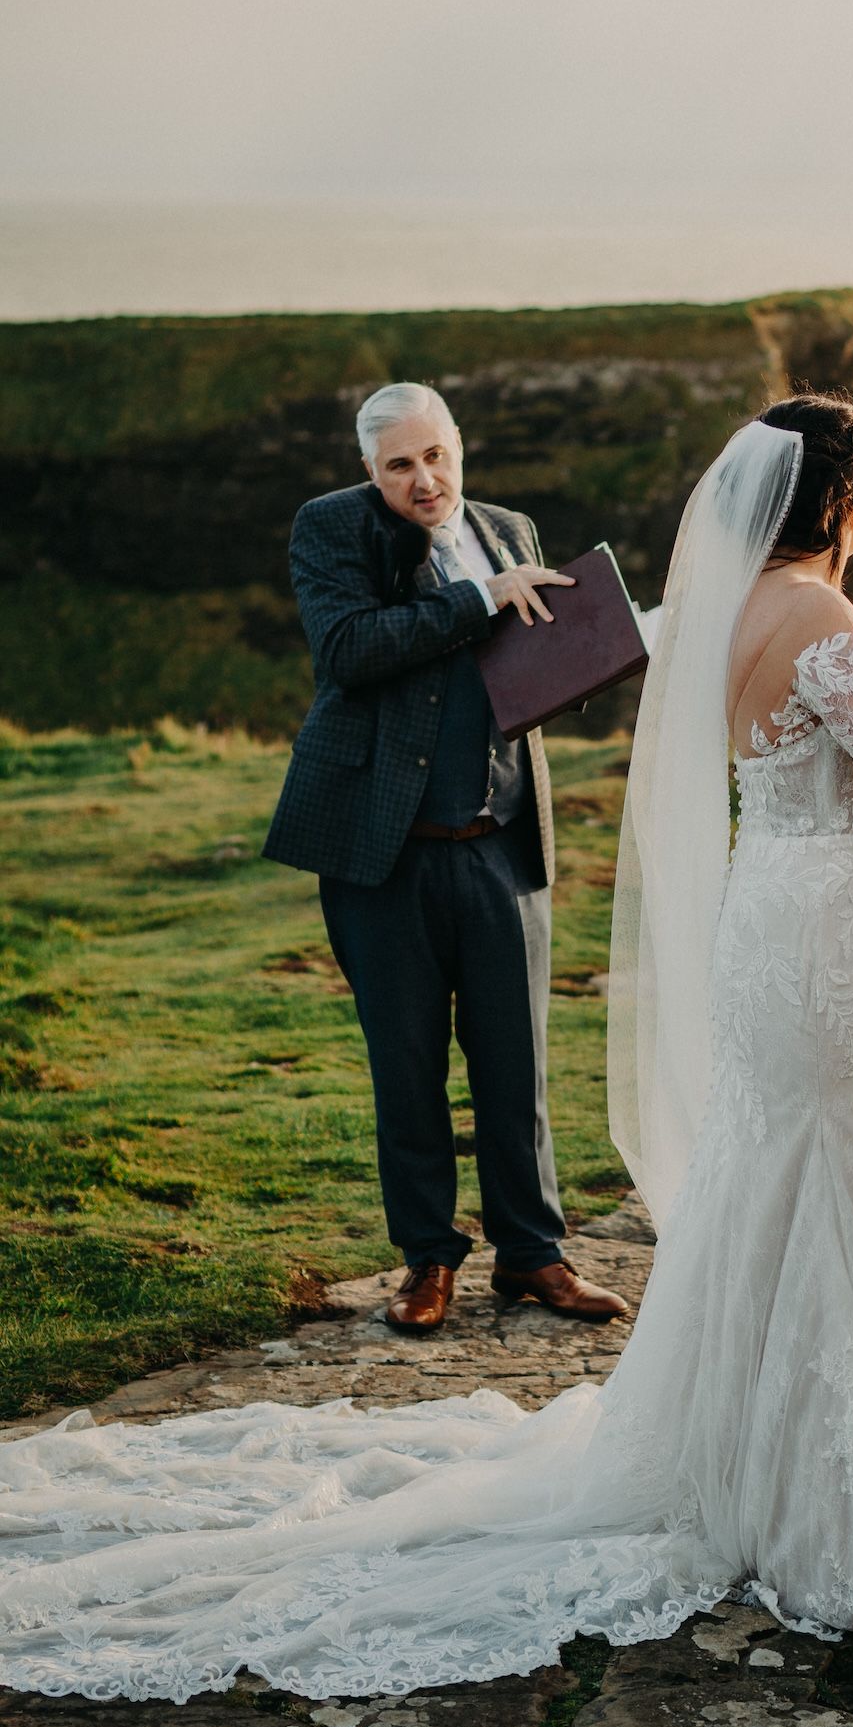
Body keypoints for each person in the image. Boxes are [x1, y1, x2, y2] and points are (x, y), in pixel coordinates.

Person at [0, 394, 853, 1697]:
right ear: (848, 502)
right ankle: (825, 1485)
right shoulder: (822, 617)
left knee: (787, 1175)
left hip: (776, 917)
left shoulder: (736, 607)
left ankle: (757, 1452)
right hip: (820, 934)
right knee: (841, 1176)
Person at [262, 381, 627, 1334]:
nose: (426, 481)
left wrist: (596, 654)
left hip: (499, 841)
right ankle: (427, 1260)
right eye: (400, 465)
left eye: (437, 456)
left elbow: (525, 660)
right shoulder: (330, 529)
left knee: (518, 1065)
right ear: (368, 471)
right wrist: (475, 599)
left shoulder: (511, 525)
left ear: (460, 444)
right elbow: (347, 649)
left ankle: (533, 1254)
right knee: (408, 1061)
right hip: (382, 852)